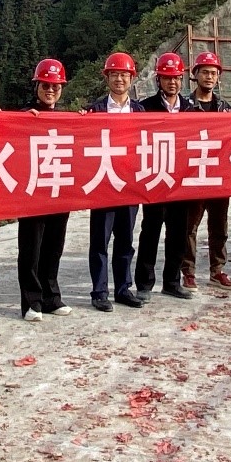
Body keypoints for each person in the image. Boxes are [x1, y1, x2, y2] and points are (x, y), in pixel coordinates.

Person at [85, 52, 145, 312]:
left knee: (125, 240)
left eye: (124, 75)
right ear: (107, 78)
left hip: (129, 185)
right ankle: (99, 292)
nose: (119, 79)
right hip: (103, 183)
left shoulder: (140, 111)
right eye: (114, 74)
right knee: (100, 240)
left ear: (131, 78)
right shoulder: (95, 110)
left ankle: (123, 288)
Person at [135, 52, 198, 302]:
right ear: (158, 80)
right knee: (150, 231)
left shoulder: (190, 108)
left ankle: (172, 282)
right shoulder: (145, 107)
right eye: (167, 78)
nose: (172, 82)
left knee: (179, 232)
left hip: (181, 181)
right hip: (155, 178)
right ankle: (144, 283)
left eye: (176, 78)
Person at [18, 59, 73, 321]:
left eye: (55, 86)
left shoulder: (66, 118)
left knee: (54, 247)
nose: (50, 90)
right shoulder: (24, 115)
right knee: (31, 249)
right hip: (31, 192)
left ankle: (51, 297)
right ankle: (32, 302)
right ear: (37, 86)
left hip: (59, 190)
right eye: (46, 85)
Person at [182, 52, 231, 290]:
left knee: (219, 226)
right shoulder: (184, 107)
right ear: (195, 75)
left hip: (218, 176)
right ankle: (188, 271)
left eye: (213, 73)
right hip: (193, 175)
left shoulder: (226, 109)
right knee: (189, 227)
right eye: (204, 72)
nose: (209, 77)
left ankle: (217, 270)